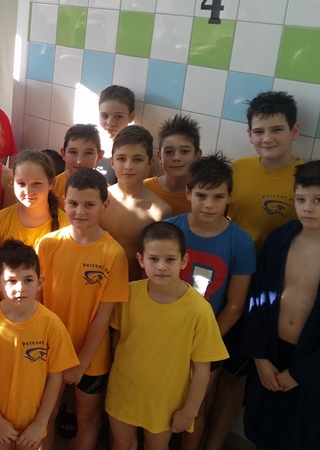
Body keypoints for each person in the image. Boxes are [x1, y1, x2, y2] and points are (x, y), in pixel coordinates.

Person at [107, 222, 228, 450]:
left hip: (165, 402)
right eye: (153, 259)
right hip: (123, 391)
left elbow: (202, 369)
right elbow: (118, 338)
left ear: (184, 260)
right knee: (122, 443)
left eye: (170, 259)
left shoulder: (199, 310)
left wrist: (190, 411)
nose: (161, 266)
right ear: (141, 260)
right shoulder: (129, 294)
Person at [164, 153, 256, 450]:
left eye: (218, 197)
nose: (208, 204)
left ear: (230, 197)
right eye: (201, 195)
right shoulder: (170, 230)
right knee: (161, 396)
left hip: (208, 339)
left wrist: (203, 342)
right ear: (188, 193)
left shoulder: (240, 242)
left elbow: (235, 306)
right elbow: (149, 284)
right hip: (165, 333)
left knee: (195, 407)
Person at [36, 168, 130, 450]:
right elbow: (36, 305)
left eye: (89, 204)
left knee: (87, 418)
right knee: (46, 415)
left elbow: (103, 316)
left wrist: (82, 362)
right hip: (49, 351)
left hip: (91, 357)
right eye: (74, 203)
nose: (80, 211)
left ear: (105, 204)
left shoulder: (113, 254)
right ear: (64, 202)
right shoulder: (47, 244)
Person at [0, 239, 79, 450]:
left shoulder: (52, 325)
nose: (20, 288)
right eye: (12, 281)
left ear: (40, 282)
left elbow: (56, 377)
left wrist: (41, 423)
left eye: (28, 280)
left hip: (33, 423)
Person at [242, 160, 320, 450]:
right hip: (271, 355)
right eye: (301, 199)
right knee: (262, 431)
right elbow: (256, 299)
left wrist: (303, 373)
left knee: (302, 438)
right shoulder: (279, 239)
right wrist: (260, 357)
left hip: (311, 363)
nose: (307, 208)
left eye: (318, 200)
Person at [228, 91, 304, 251]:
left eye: (276, 130)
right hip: (232, 258)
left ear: (294, 131)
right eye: (259, 131)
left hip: (278, 264)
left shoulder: (308, 179)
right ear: (250, 134)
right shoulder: (236, 169)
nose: (267, 139)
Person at [100, 125, 173, 281]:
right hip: (94, 283)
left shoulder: (160, 211)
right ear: (112, 162)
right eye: (121, 159)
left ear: (150, 163)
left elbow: (157, 260)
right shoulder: (98, 199)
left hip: (133, 288)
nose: (128, 166)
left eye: (137, 160)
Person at [0, 150, 58, 251]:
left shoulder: (66, 225)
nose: (28, 191)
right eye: (21, 184)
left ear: (51, 183)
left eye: (36, 183)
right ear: (13, 183)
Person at [145, 114, 203, 216]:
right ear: (160, 157)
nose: (176, 158)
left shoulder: (205, 195)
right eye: (169, 152)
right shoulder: (144, 188)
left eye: (184, 151)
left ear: (197, 155)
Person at [53, 124, 104, 228]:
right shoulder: (51, 187)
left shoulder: (107, 192)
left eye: (88, 153)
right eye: (73, 152)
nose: (79, 161)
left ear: (99, 156)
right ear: (63, 153)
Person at [95, 85, 136, 184]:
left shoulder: (135, 151)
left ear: (131, 117)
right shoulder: (91, 143)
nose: (110, 122)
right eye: (105, 116)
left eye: (118, 116)